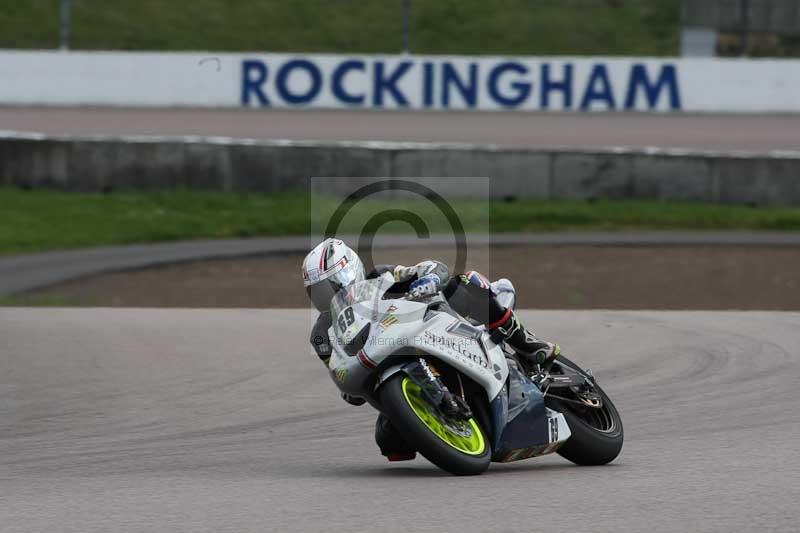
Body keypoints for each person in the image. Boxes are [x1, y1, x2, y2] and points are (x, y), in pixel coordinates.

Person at [302, 238, 559, 461]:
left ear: (349, 269)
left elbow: (431, 267)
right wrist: (349, 387)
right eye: (317, 292)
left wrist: (428, 279)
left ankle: (524, 341)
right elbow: (341, 377)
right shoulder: (322, 335)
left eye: (330, 286)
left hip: (438, 326)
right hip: (386, 363)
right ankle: (445, 424)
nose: (326, 296)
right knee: (390, 445)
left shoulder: (382, 276)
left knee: (467, 282)